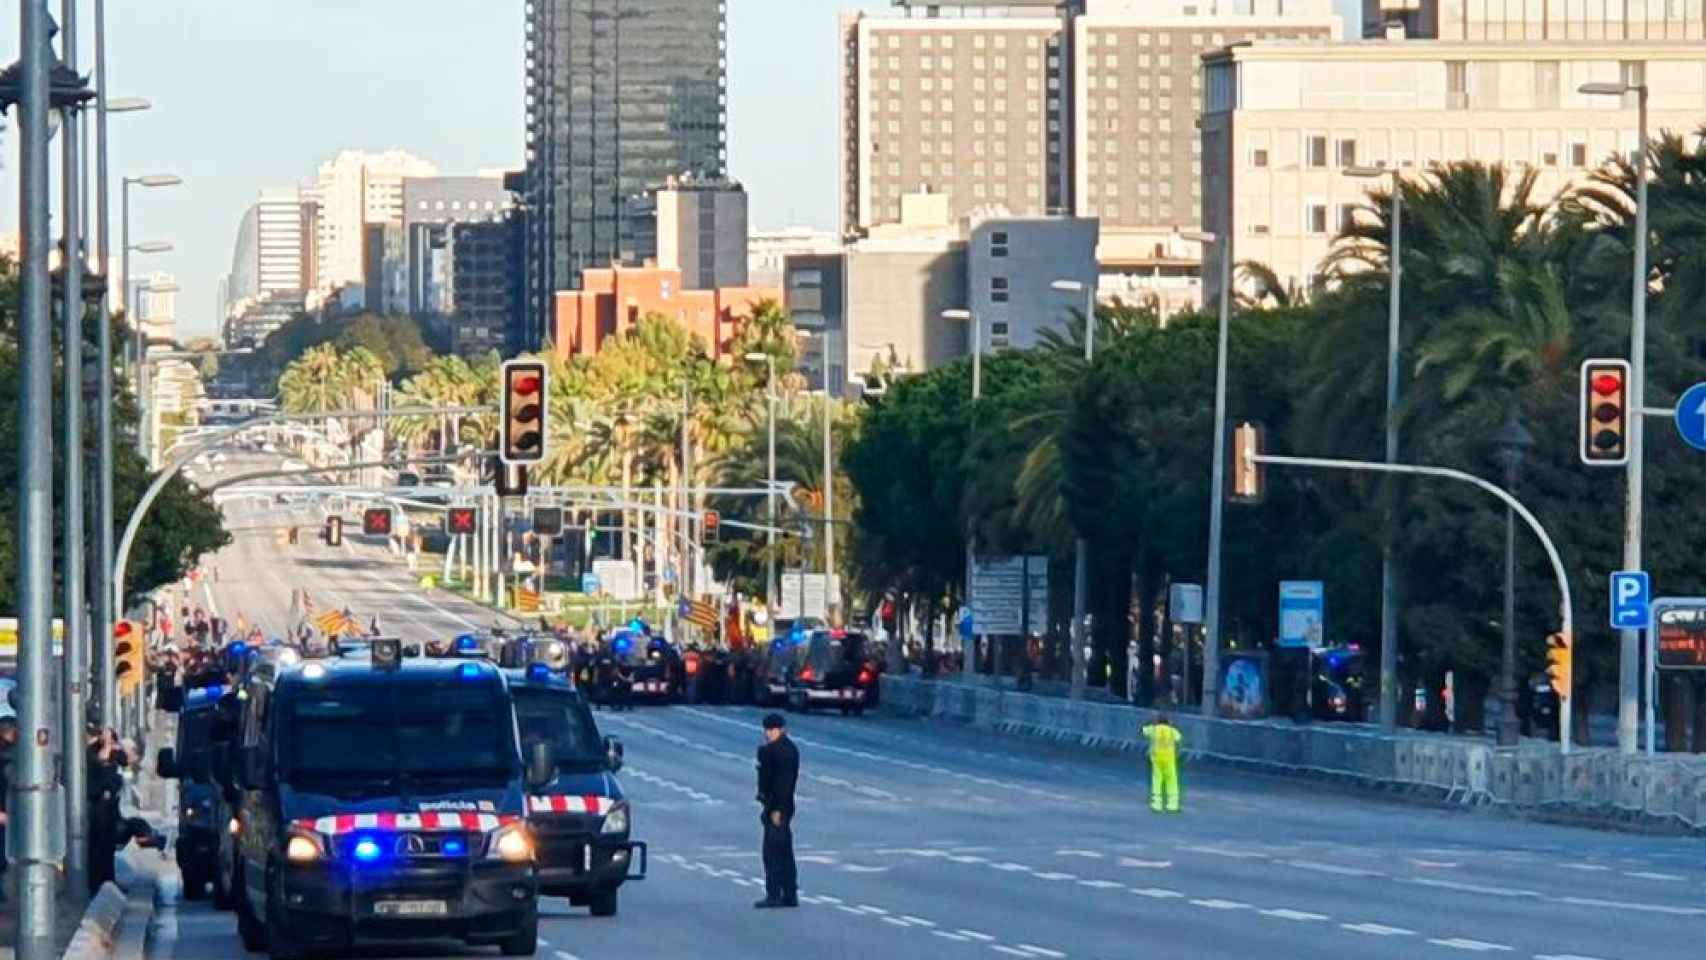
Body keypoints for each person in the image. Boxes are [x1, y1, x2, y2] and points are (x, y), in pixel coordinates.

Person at [753, 712, 799, 909]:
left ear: (781, 730)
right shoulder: (789, 749)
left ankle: (774, 894)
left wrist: (776, 809)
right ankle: (789, 893)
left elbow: (783, 783)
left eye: (772, 730)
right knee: (785, 850)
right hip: (782, 805)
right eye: (767, 730)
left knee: (772, 851)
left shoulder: (775, 751)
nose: (769, 733)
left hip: (777, 807)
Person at [1141, 712, 1183, 814]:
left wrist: (1151, 721)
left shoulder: (1154, 729)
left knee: (1157, 781)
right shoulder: (1172, 731)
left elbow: (1143, 730)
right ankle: (1173, 805)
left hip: (1157, 759)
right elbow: (1179, 738)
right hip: (1169, 759)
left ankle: (1157, 805)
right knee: (1172, 782)